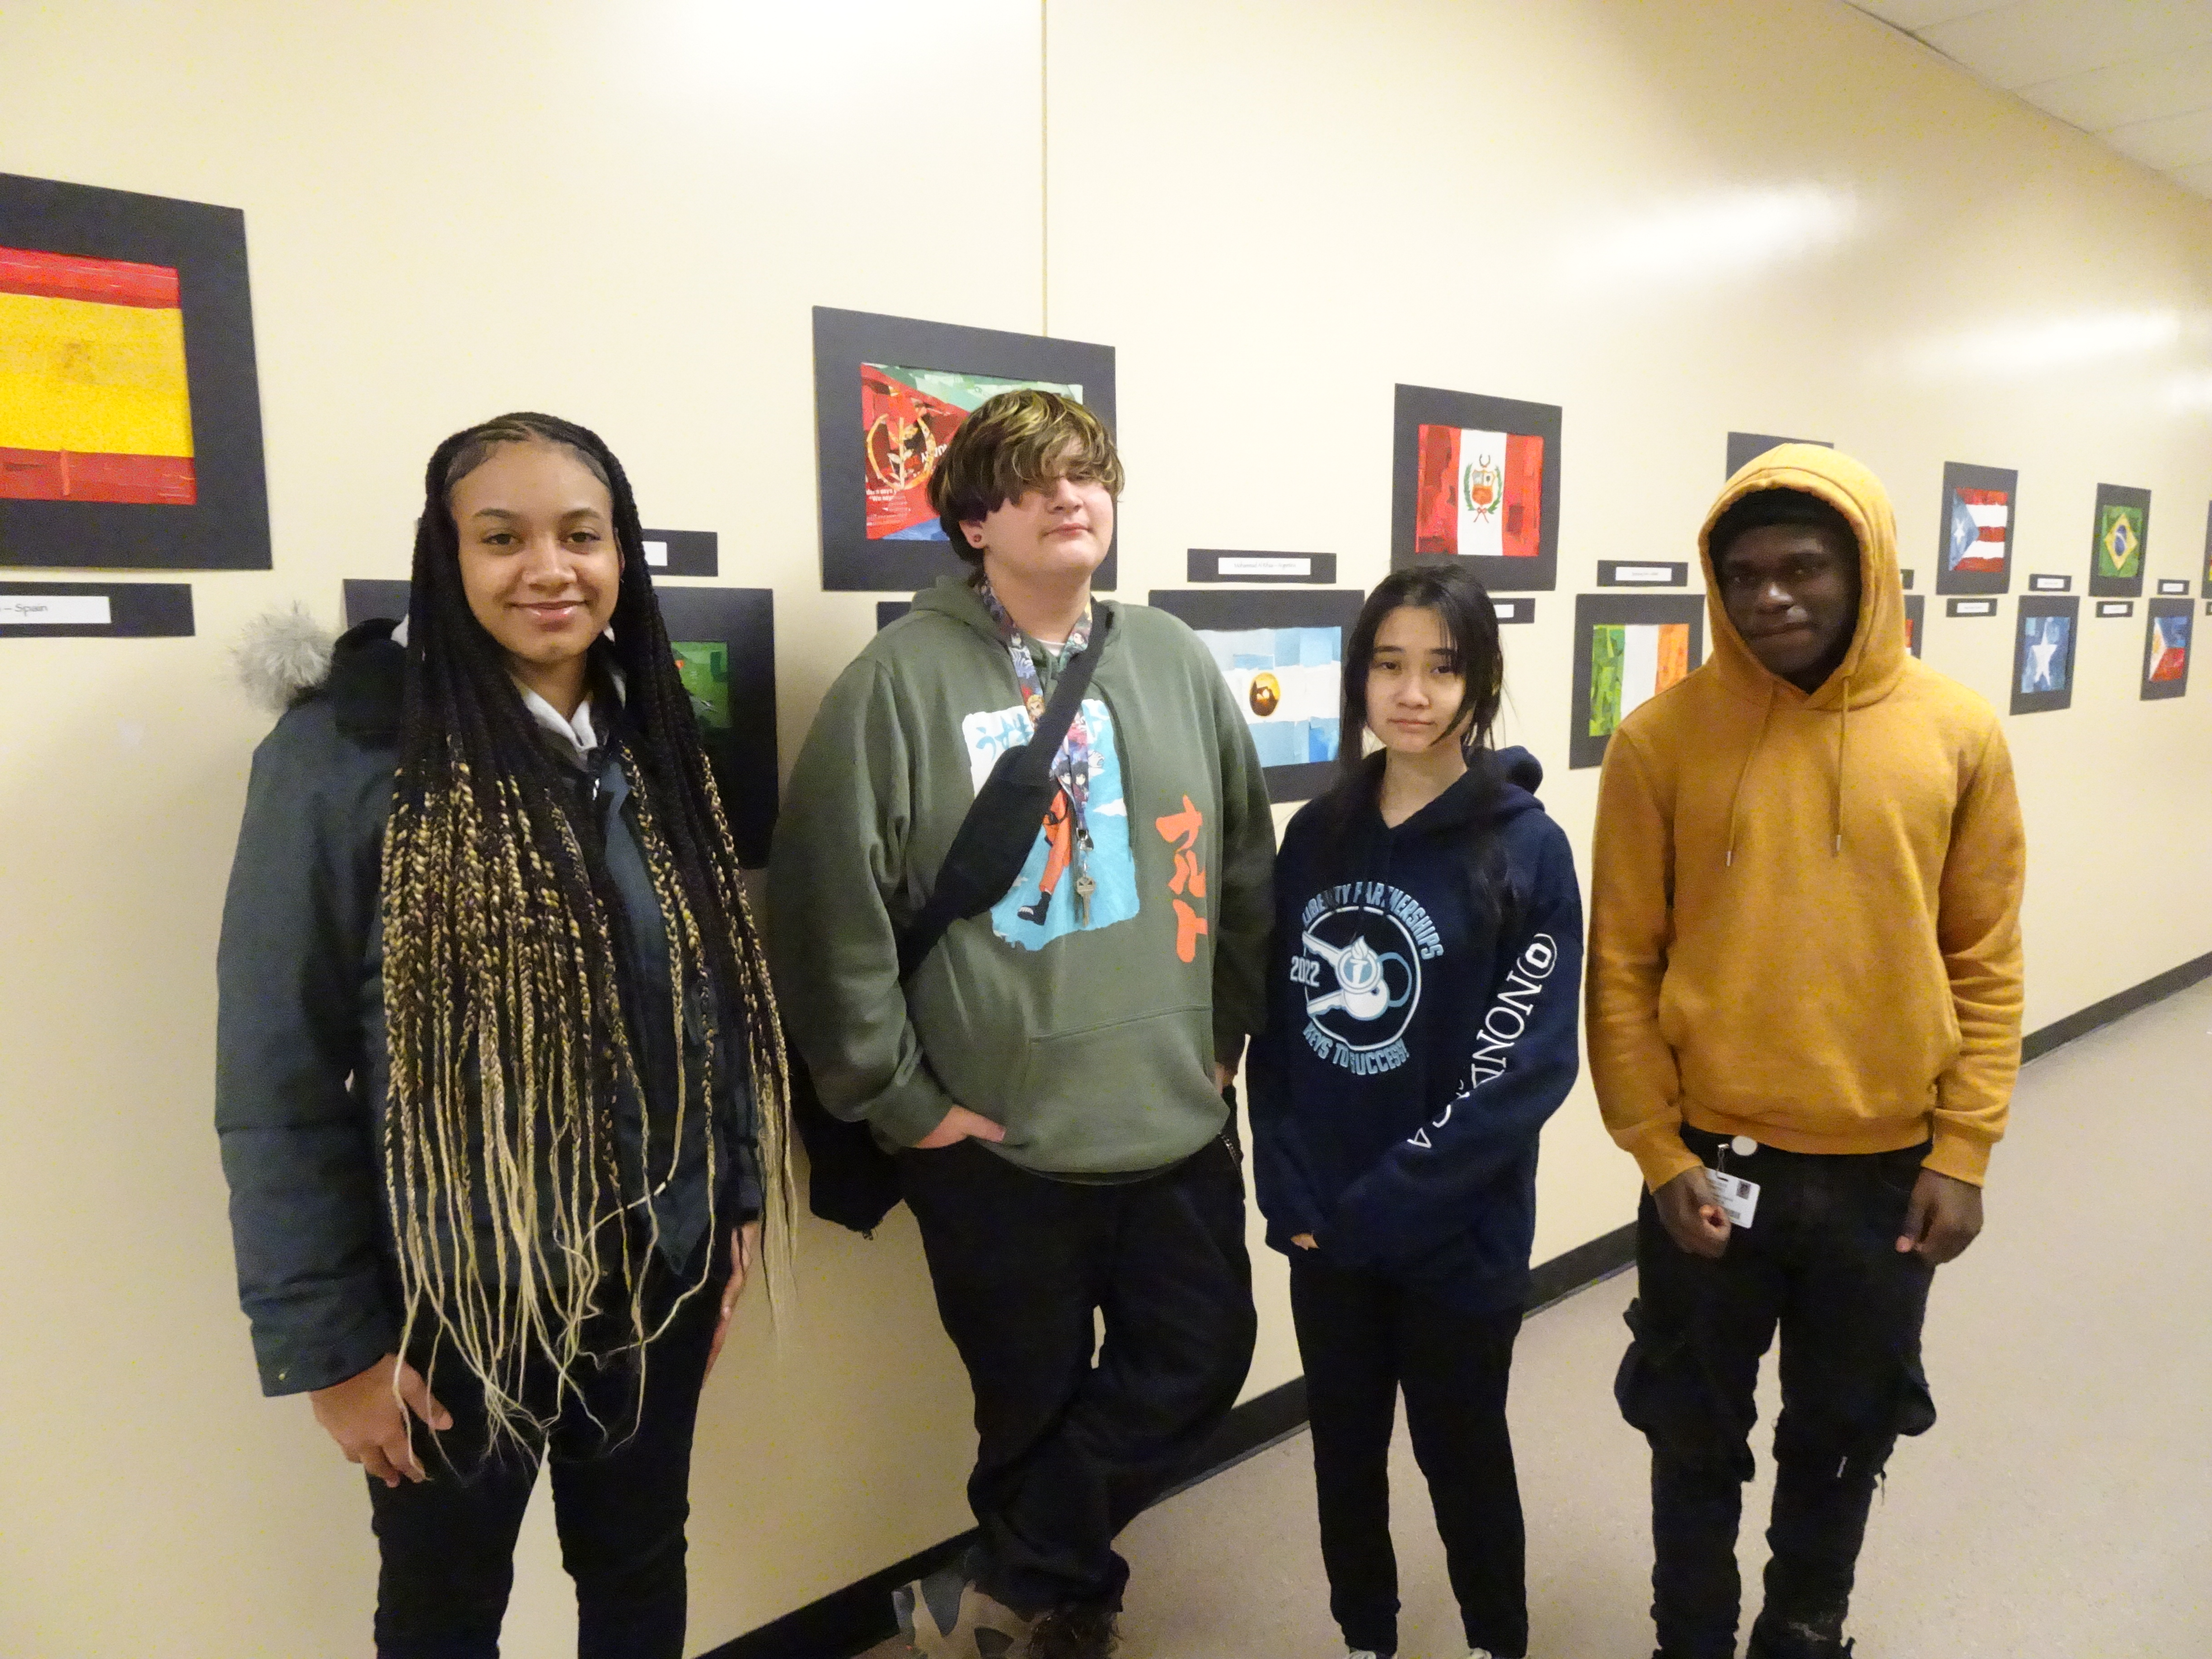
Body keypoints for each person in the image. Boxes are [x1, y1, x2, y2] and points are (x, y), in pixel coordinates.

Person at [215, 412, 788, 1659]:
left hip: (654, 1265)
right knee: (445, 1607)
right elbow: (279, 1073)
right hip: (455, 1294)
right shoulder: (348, 755)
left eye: (582, 535)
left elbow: (709, 1001)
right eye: (503, 537)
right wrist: (332, 1346)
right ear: (445, 556)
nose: (550, 568)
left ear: (621, 557)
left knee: (639, 1567)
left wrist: (728, 1196)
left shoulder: (649, 738)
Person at [766, 389, 1274, 1659]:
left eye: (1090, 474)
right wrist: (903, 1103)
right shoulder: (894, 684)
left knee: (1202, 1359)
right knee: (1027, 1410)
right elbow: (832, 920)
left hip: (1172, 1113)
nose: (1072, 497)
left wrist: (1228, 1030)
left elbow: (1249, 868)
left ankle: (1002, 1577)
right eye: (1036, 479)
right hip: (995, 1143)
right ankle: (1057, 1617)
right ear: (973, 516)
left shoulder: (1169, 656)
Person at [1587, 445, 2025, 1659]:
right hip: (1710, 1167)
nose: (1770, 596)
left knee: (1843, 1428)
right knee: (1691, 1428)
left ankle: (1804, 1624)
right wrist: (1656, 1148)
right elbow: (1620, 964)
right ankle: (1692, 1636)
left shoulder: (1956, 735)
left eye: (1803, 568)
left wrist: (1968, 1148)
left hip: (1887, 1171)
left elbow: (1984, 958)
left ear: (1867, 571)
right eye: (1742, 577)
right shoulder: (1662, 741)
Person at [1246, 564, 1582, 1659]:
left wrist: (1389, 1206)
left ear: (1477, 682)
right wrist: (1286, 1185)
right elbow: (1282, 1033)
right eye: (1389, 665)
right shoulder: (1317, 836)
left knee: (1461, 1449)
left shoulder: (1525, 848)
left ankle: (1495, 1637)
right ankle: (1367, 1637)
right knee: (1344, 1448)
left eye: (1442, 667)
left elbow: (1523, 1071)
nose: (1412, 692)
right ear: (1359, 679)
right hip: (1327, 1226)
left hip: (1457, 1235)